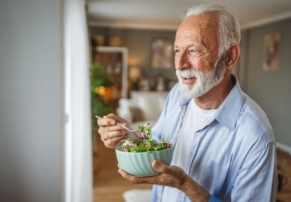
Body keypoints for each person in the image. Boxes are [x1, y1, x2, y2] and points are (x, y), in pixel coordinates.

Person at [97, 4, 278, 202]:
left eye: (193, 51)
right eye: (177, 50)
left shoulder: (256, 136)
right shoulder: (177, 94)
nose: (179, 64)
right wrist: (126, 133)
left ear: (229, 56)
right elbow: (157, 143)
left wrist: (184, 185)